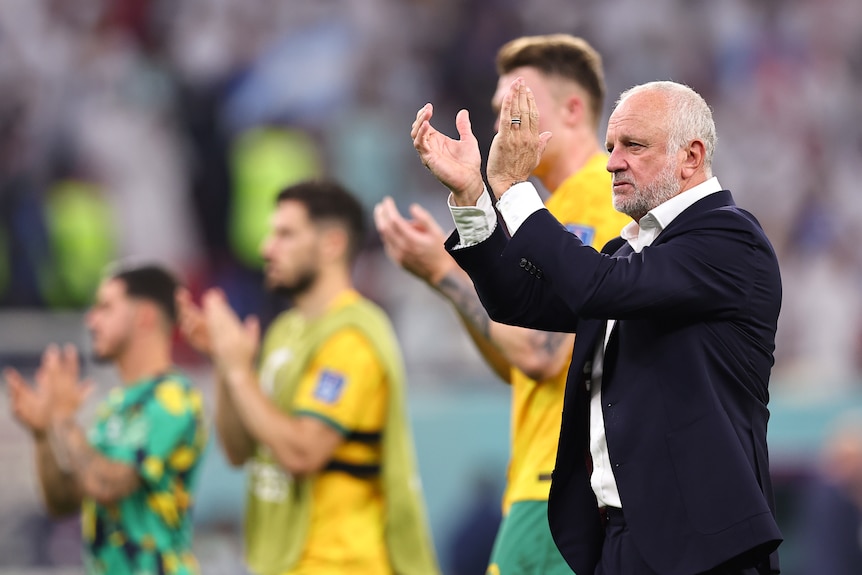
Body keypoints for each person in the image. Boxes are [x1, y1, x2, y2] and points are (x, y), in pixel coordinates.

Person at [411, 78, 783, 574]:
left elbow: (596, 287)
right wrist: (473, 195)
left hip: (703, 547)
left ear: (691, 157)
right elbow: (517, 301)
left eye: (633, 145)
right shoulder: (627, 255)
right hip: (619, 539)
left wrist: (517, 190)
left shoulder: (732, 239)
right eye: (610, 147)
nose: (612, 162)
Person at [375, 34, 629, 575]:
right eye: (498, 112)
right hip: (536, 483)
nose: (500, 125)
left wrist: (445, 270)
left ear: (573, 109)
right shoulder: (547, 209)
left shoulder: (596, 198)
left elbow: (543, 351)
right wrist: (445, 281)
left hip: (562, 486)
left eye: (516, 108)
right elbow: (516, 359)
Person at [176, 179, 439, 575]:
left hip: (340, 562)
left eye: (285, 234)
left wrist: (238, 371)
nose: (267, 248)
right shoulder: (286, 330)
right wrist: (227, 365)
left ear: (331, 243)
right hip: (282, 561)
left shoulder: (353, 336)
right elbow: (239, 449)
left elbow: (303, 453)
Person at [4, 263, 207, 574]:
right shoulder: (115, 405)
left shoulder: (173, 398)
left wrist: (63, 420)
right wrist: (44, 434)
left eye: (106, 307)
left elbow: (108, 484)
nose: (91, 319)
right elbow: (64, 501)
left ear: (145, 317)